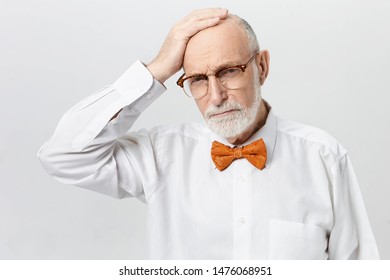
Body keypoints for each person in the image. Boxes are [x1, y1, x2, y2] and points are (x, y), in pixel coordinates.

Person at [38, 8, 379, 259]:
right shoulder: (160, 154)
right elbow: (63, 155)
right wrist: (157, 69)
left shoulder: (324, 156)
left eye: (229, 71)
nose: (215, 97)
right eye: (198, 79)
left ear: (261, 67)